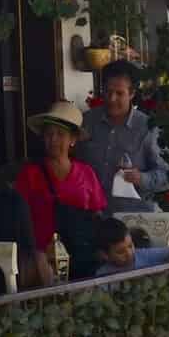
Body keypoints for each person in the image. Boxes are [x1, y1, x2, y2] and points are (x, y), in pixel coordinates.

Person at [14, 100, 106, 277]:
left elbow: (97, 216)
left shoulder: (87, 173)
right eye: (49, 134)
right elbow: (19, 219)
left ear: (73, 140)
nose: (53, 139)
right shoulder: (29, 174)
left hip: (82, 260)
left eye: (60, 134)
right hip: (41, 264)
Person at [77, 61, 169, 209]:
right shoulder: (87, 121)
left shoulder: (147, 128)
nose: (112, 98)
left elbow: (167, 175)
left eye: (119, 93)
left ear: (132, 93)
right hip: (94, 217)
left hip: (135, 220)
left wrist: (141, 178)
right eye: (108, 92)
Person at [94, 216, 169, 282]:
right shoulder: (102, 276)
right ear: (105, 255)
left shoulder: (143, 255)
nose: (129, 253)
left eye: (130, 245)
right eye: (120, 252)